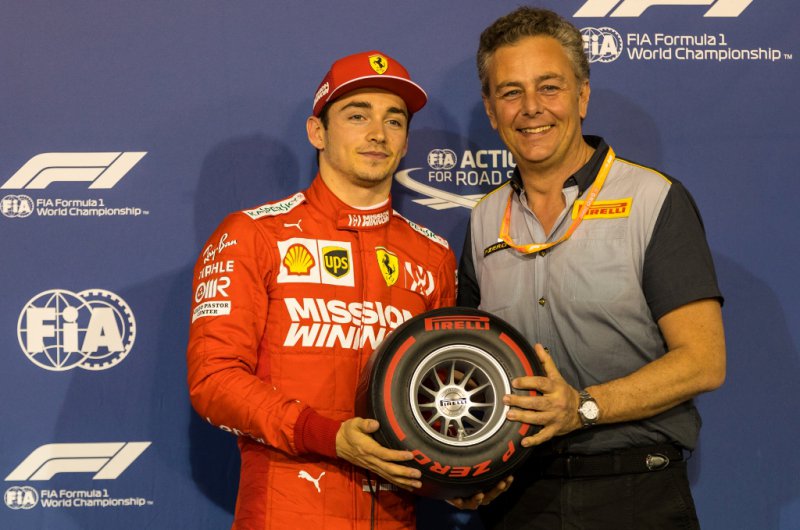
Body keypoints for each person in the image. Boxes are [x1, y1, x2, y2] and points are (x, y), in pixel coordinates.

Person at [457, 7, 726, 529]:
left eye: (549, 87)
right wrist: (462, 472)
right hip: (517, 496)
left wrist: (582, 407)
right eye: (511, 92)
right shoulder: (483, 218)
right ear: (491, 110)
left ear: (582, 96)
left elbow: (704, 361)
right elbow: (470, 359)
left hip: (635, 493)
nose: (531, 108)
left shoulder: (653, 199)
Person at [186, 50, 458, 529]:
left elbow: (437, 400)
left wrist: (464, 480)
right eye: (357, 116)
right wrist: (326, 435)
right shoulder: (253, 235)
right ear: (318, 132)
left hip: (394, 518)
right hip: (284, 514)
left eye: (394, 120)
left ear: (405, 143)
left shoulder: (433, 256)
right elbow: (214, 380)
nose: (378, 133)